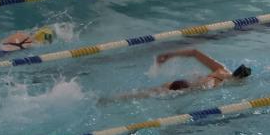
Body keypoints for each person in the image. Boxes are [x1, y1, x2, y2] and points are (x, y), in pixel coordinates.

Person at [99, 47, 251, 103]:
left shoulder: (221, 69)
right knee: (140, 96)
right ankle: (105, 101)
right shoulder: (222, 83)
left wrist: (169, 55)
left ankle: (105, 99)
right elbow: (200, 91)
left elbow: (194, 52)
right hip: (180, 90)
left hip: (179, 83)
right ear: (240, 79)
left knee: (139, 94)